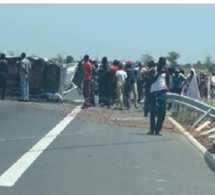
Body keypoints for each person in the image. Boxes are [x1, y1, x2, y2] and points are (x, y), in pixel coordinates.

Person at [147, 57, 168, 136]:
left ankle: (158, 130)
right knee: (153, 111)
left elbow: (167, 80)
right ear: (158, 62)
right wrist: (159, 73)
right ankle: (152, 130)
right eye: (161, 63)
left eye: (164, 64)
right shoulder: (153, 70)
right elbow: (151, 81)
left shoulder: (165, 70)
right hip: (153, 91)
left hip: (162, 91)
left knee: (162, 111)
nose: (162, 65)